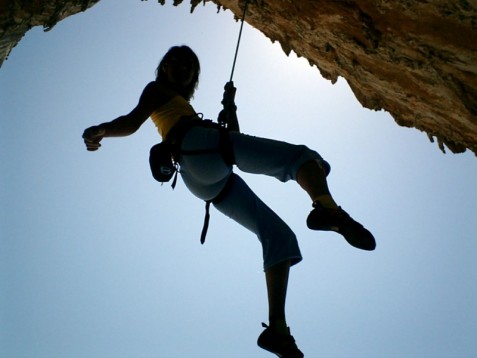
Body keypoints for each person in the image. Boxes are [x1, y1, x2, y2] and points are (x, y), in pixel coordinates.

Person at [83, 45, 376, 357]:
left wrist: (229, 107)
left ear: (193, 76)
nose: (182, 68)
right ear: (164, 67)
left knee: (279, 236)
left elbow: (234, 140)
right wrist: (101, 130)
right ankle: (326, 208)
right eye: (176, 62)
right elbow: (131, 122)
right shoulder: (156, 91)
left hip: (204, 180)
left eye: (189, 66)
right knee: (303, 158)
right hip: (199, 149)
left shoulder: (180, 107)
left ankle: (277, 330)